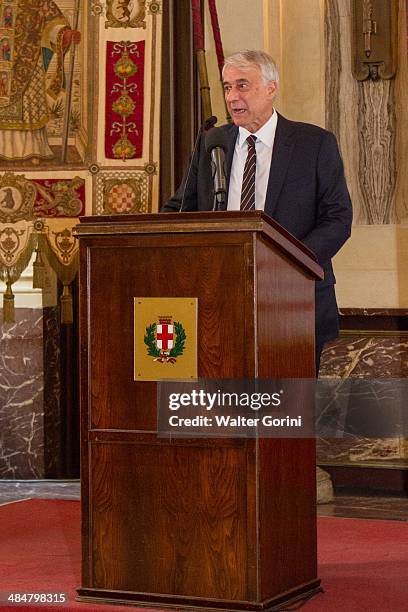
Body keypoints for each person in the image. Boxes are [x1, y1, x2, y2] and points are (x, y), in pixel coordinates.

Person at [162, 50, 352, 372]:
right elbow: (179, 208)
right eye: (226, 88)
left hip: (295, 302)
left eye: (242, 86)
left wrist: (288, 264)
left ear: (270, 88)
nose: (232, 97)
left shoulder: (314, 143)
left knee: (289, 411)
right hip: (221, 301)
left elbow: (337, 219)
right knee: (228, 411)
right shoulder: (213, 142)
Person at [0, 0, 81, 164]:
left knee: (30, 103)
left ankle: (31, 149)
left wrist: (64, 34)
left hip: (28, 61)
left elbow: (52, 24)